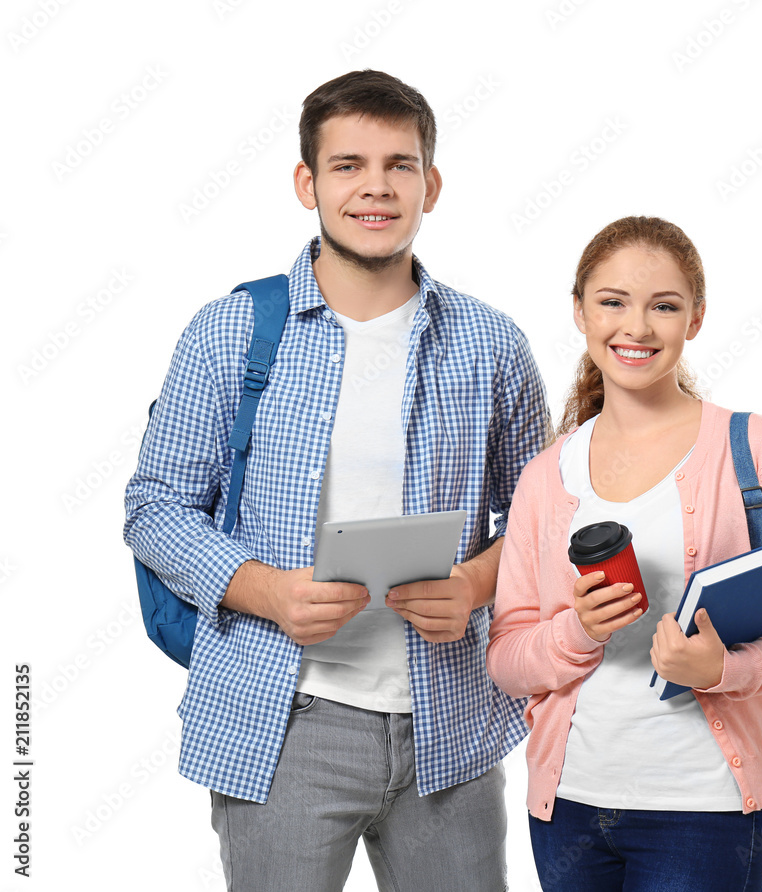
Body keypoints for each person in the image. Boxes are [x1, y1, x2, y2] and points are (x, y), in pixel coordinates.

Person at [124, 70, 549, 892]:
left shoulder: (491, 345)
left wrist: (472, 583)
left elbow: (543, 512)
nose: (375, 188)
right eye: (348, 165)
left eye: (399, 164)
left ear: (430, 183)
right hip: (281, 722)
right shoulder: (233, 331)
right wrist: (262, 590)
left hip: (450, 725)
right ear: (307, 183)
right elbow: (154, 507)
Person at [486, 216, 762, 891]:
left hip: (701, 809)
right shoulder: (546, 476)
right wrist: (578, 632)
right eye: (613, 301)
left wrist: (723, 669)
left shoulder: (758, 449)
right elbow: (506, 658)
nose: (637, 328)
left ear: (696, 319)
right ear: (579, 312)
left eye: (665, 306)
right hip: (569, 808)